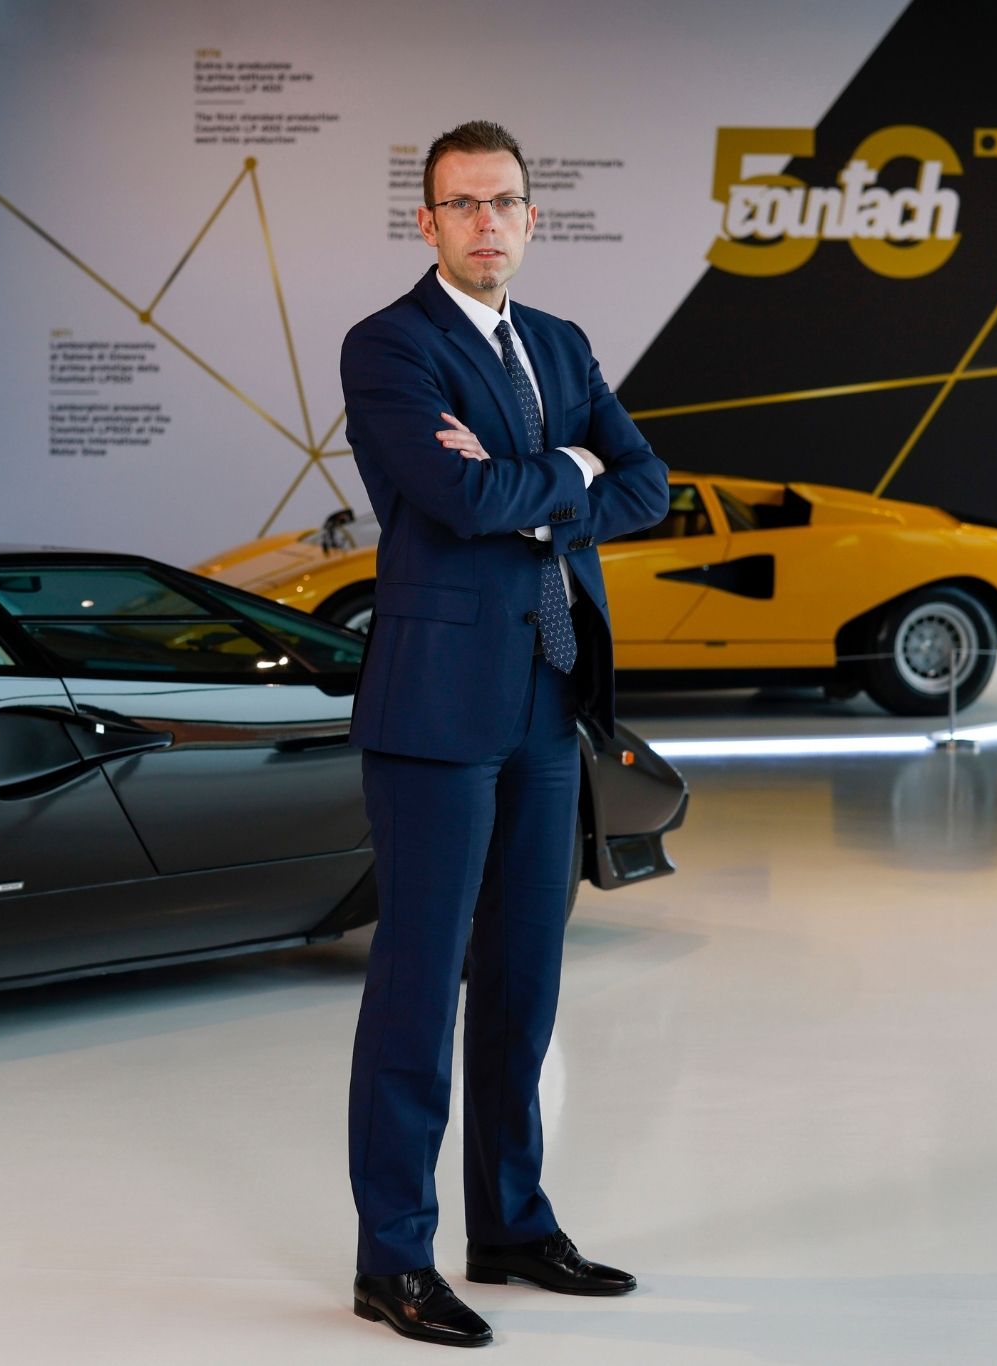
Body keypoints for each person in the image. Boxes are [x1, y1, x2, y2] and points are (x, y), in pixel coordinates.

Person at [340, 119, 669, 1347]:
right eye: (463, 203)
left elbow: (646, 485)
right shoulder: (388, 345)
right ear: (425, 222)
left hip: (546, 692)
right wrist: (567, 471)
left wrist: (543, 479)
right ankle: (392, 1256)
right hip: (435, 703)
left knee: (524, 979)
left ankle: (512, 1225)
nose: (487, 222)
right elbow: (455, 494)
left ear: (531, 218)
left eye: (505, 202)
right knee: (418, 987)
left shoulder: (560, 343)